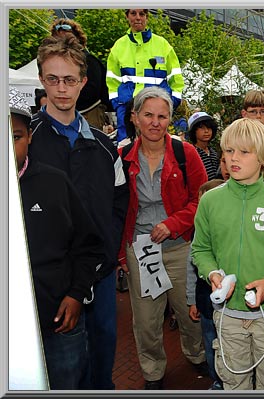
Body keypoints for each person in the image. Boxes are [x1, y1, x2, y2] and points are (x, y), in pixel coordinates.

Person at [29, 35, 129, 390]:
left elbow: (120, 203)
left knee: (102, 363)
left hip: (99, 276)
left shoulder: (105, 148)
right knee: (62, 372)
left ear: (83, 83)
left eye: (69, 79)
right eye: (52, 79)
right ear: (42, 79)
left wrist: (107, 250)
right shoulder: (27, 143)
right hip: (50, 281)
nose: (61, 88)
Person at [191, 118, 264, 390]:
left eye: (243, 152)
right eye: (228, 151)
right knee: (234, 381)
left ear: (263, 157)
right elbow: (200, 249)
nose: (233, 159)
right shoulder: (210, 200)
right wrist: (212, 273)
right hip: (227, 315)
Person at [11, 86, 103, 390]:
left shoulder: (53, 182)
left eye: (16, 137)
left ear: (30, 138)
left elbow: (88, 245)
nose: (9, 147)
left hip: (58, 322)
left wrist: (77, 294)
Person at [117, 87, 208, 390]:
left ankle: (196, 355)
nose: (155, 122)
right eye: (148, 115)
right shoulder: (122, 158)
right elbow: (115, 209)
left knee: (188, 311)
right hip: (140, 250)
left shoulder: (186, 153)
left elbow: (201, 200)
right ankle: (153, 371)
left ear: (170, 119)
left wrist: (174, 223)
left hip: (180, 246)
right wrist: (121, 254)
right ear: (135, 118)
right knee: (146, 320)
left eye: (162, 116)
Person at [107, 9, 184, 144]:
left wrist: (172, 102)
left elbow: (176, 77)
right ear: (127, 16)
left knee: (157, 149)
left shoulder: (162, 45)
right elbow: (111, 80)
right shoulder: (119, 46)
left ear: (147, 17)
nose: (138, 18)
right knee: (125, 149)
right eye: (133, 14)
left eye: (142, 14)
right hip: (127, 108)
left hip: (156, 109)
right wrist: (117, 104)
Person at [186, 178, 226, 391]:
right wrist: (191, 300)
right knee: (211, 343)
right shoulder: (198, 232)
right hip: (206, 302)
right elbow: (191, 267)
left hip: (229, 304)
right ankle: (217, 380)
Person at [50, 18, 111, 131]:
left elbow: (92, 93)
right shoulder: (53, 64)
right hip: (61, 116)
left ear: (78, 39)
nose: (64, 43)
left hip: (88, 115)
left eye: (68, 39)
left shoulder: (89, 61)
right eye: (58, 39)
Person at [187, 111, 220, 180]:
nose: (206, 131)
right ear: (194, 131)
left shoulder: (214, 153)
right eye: (202, 128)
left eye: (209, 127)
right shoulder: (192, 153)